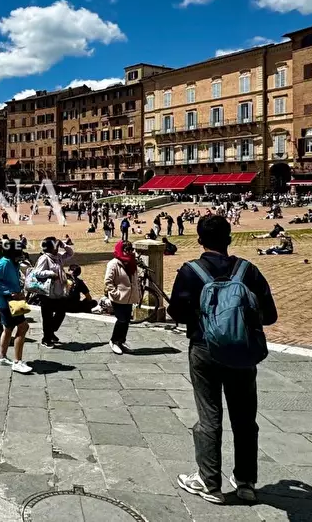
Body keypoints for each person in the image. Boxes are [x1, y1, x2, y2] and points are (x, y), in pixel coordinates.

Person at [168, 214, 277, 505]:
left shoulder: (190, 271)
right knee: (245, 419)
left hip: (204, 348)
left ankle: (209, 482)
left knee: (209, 416)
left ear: (199, 240)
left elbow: (175, 312)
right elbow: (270, 315)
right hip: (243, 352)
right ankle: (246, 481)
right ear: (229, 238)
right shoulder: (248, 270)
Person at [0, 238, 32, 374]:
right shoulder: (4, 263)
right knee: (23, 327)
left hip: (9, 301)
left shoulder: (12, 262)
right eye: (20, 250)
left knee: (8, 329)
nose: (22, 253)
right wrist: (10, 292)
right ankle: (17, 362)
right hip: (9, 302)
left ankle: (1, 357)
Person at [32, 237, 72, 348]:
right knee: (47, 316)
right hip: (46, 292)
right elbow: (37, 272)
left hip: (58, 291)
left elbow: (70, 253)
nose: (57, 248)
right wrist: (50, 273)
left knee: (61, 313)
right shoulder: (44, 258)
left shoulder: (58, 257)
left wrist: (64, 245)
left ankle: (50, 331)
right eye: (55, 246)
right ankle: (46, 339)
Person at [103, 241, 141, 355]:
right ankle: (114, 341)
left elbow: (135, 279)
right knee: (121, 320)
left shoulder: (132, 263)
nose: (129, 252)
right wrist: (115, 293)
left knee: (127, 321)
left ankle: (121, 341)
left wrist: (137, 293)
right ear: (121, 250)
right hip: (119, 298)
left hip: (130, 297)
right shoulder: (113, 263)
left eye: (130, 249)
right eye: (126, 250)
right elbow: (108, 281)